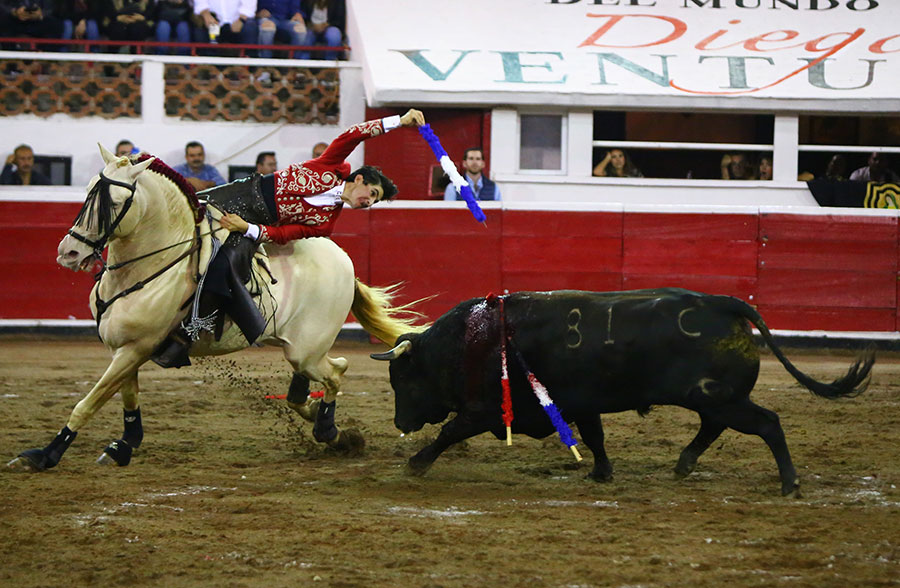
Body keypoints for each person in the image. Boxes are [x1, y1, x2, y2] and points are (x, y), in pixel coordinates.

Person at [153, 108, 426, 368]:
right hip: (239, 194)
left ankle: (187, 334)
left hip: (253, 224)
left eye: (375, 201)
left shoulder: (325, 224)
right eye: (374, 193)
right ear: (360, 179)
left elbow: (281, 234)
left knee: (225, 264)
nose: (370, 202)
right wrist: (399, 121)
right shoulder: (331, 164)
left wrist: (244, 227)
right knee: (169, 218)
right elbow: (354, 133)